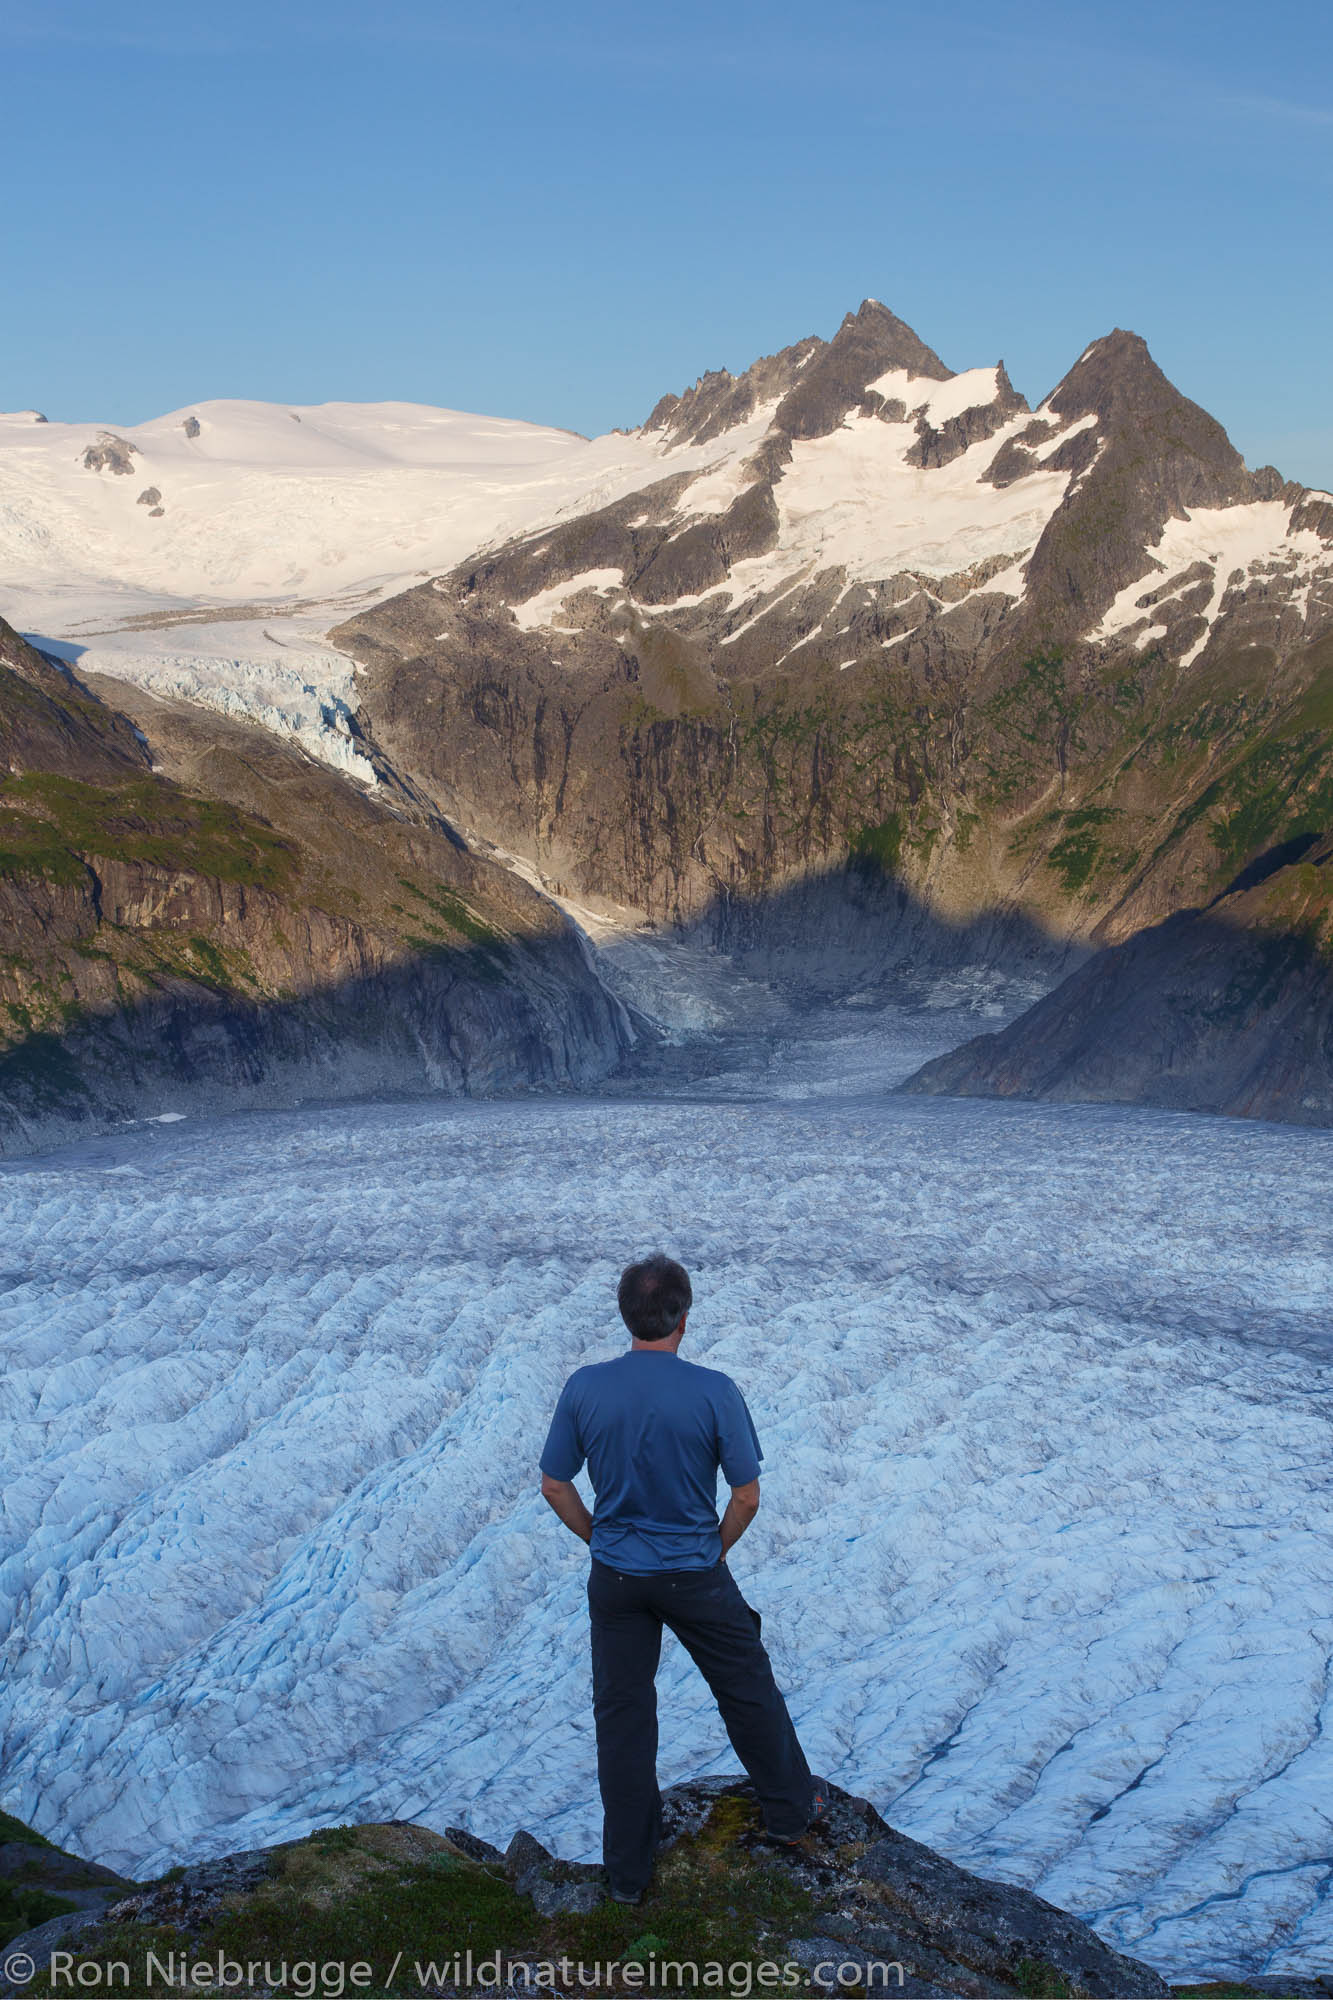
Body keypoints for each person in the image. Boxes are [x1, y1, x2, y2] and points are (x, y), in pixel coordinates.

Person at [539, 1252, 821, 1905]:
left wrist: (599, 1540)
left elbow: (555, 1484)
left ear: (624, 1316)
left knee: (623, 1719)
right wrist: (713, 1551)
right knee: (747, 1691)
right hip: (693, 1572)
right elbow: (746, 1496)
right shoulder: (714, 1391)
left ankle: (628, 1879)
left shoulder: (584, 1387)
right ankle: (788, 1815)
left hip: (615, 1579)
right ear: (683, 1320)